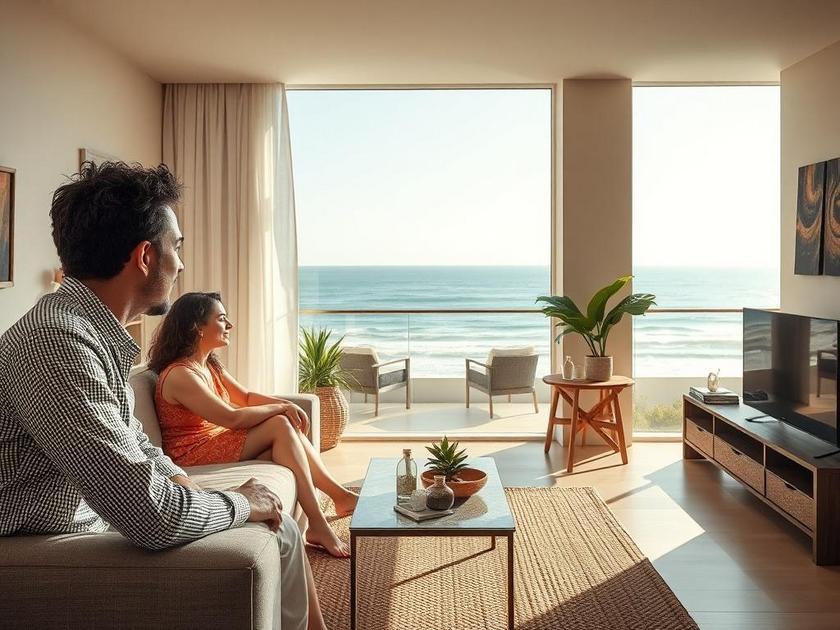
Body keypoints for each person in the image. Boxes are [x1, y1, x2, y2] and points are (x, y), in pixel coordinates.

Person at [0, 162, 325, 630]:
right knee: (273, 528)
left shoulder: (88, 333)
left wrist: (183, 479)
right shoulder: (56, 342)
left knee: (284, 529)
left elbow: (131, 439)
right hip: (38, 538)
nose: (182, 263)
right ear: (146, 256)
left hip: (86, 516)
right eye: (178, 247)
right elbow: (149, 516)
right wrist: (239, 502)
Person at [148, 292, 358, 558]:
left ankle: (338, 497)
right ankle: (319, 522)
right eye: (222, 319)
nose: (229, 326)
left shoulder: (208, 364)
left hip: (214, 441)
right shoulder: (180, 375)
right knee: (280, 425)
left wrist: (283, 403)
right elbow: (231, 417)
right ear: (198, 328)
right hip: (190, 454)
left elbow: (245, 398)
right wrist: (282, 407)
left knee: (283, 441)